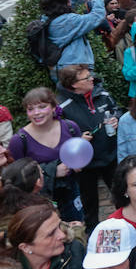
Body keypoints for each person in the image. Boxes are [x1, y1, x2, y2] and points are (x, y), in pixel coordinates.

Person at [56, 64, 120, 232]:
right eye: (86, 77)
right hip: (85, 166)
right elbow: (59, 136)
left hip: (110, 157)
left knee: (121, 195)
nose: (92, 78)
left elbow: (117, 110)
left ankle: (128, 226)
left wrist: (116, 119)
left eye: (90, 75)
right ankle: (92, 235)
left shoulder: (103, 94)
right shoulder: (62, 106)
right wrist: (77, 140)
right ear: (74, 84)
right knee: (89, 205)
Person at [8, 87, 84, 222]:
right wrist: (53, 170)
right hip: (40, 201)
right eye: (30, 109)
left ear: (54, 107)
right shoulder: (19, 141)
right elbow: (17, 178)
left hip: (71, 194)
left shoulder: (70, 127)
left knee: (76, 228)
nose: (36, 113)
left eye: (42, 107)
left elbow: (80, 153)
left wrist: (78, 163)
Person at [41, 0, 106, 71]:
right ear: (66, 2)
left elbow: (63, 8)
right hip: (74, 67)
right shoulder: (69, 21)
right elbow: (97, 16)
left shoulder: (46, 17)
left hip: (62, 65)